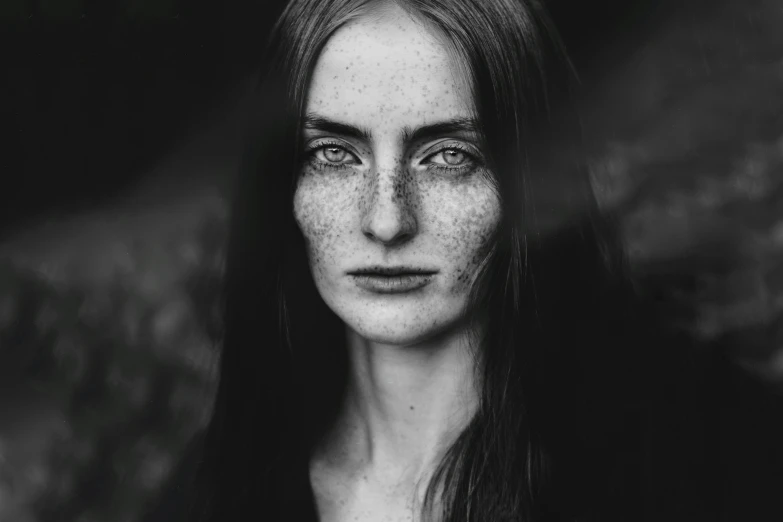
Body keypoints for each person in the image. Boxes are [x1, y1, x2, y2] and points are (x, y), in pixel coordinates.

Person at [143, 0, 766, 521]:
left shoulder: (684, 472)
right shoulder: (215, 493)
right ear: (286, 189)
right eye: (335, 154)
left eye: (447, 157)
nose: (387, 220)